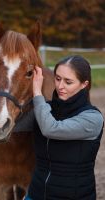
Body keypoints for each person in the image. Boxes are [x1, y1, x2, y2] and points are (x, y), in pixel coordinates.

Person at [15, 55, 104, 200]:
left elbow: (50, 129)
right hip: (35, 194)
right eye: (57, 78)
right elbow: (8, 125)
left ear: (84, 84)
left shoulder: (92, 118)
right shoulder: (44, 108)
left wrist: (37, 93)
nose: (60, 86)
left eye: (68, 82)